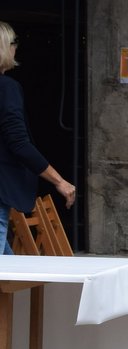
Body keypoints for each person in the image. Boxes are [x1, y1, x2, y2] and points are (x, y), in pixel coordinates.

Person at [0, 21, 76, 252]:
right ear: (5, 47)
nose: (16, 47)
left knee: (10, 265)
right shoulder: (6, 88)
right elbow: (19, 143)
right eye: (14, 42)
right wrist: (59, 181)